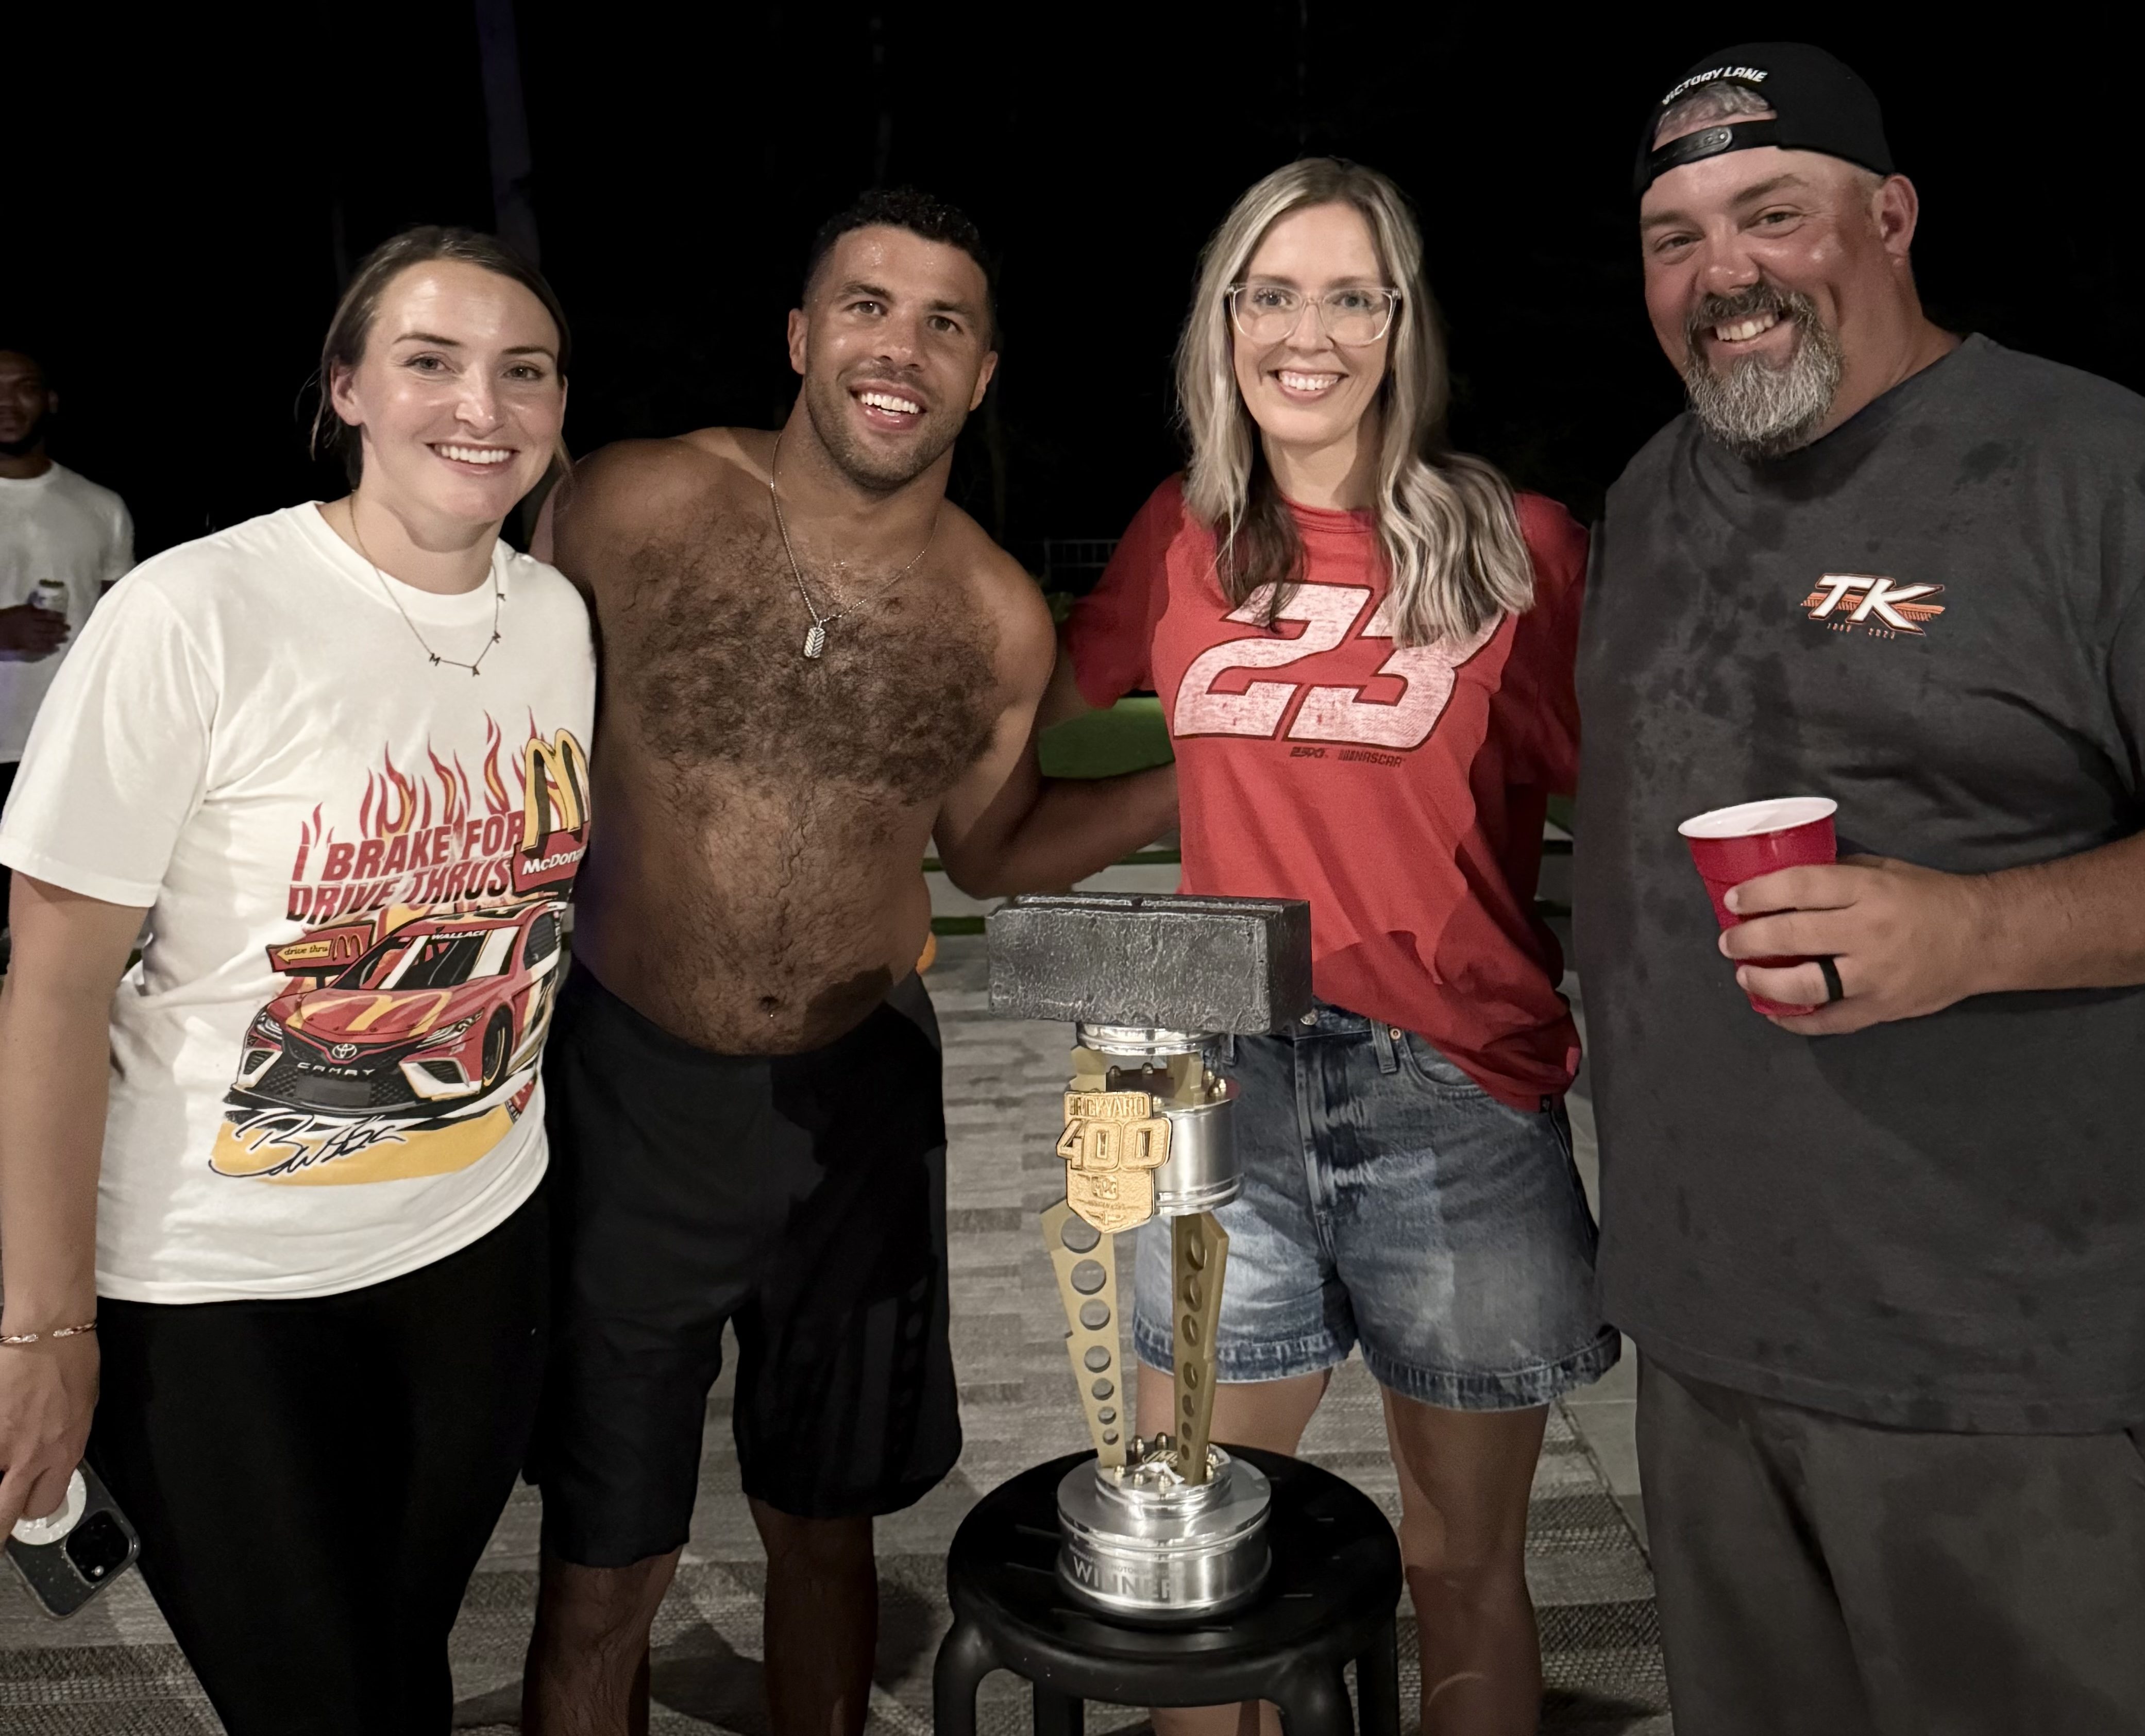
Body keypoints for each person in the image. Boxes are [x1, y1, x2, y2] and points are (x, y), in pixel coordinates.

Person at [1576, 41, 2145, 1734]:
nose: (1725, 273)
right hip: (1707, 1347)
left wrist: (1976, 931)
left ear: (1895, 218)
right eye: (1675, 238)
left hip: (1996, 1363)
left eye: (1773, 214)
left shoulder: (2104, 474)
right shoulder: (1652, 494)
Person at [520, 186, 1174, 1736]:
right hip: (627, 1085)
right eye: (868, 306)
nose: (902, 347)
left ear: (981, 375)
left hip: (858, 1100)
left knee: (827, 1528)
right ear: (802, 336)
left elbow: (992, 852)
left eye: (945, 322)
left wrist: (1201, 768)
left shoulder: (994, 615)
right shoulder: (627, 504)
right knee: (606, 1558)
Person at [0, 227, 594, 1734]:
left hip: (477, 1253)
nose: (481, 405)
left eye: (523, 370)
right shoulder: (195, 614)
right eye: (429, 361)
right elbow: (52, 993)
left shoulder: (555, 619)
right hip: (216, 1286)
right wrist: (43, 1329)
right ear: (346, 389)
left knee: (400, 1669)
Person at [1052, 158, 1613, 1736]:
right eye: (1274, 294)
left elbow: (1639, 817)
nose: (1309, 333)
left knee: (1462, 1567)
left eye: (1351, 297)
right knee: (1199, 1573)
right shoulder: (1179, 534)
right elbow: (1014, 753)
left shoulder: (1518, 543)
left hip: (1456, 1095)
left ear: (1401, 323)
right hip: (1219, 1091)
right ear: (1223, 318)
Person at [0, 347, 134, 945]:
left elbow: (122, 625)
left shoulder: (99, 505)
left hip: (65, 744)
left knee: (42, 928)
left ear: (50, 400)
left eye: (23, 387)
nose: (6, 403)